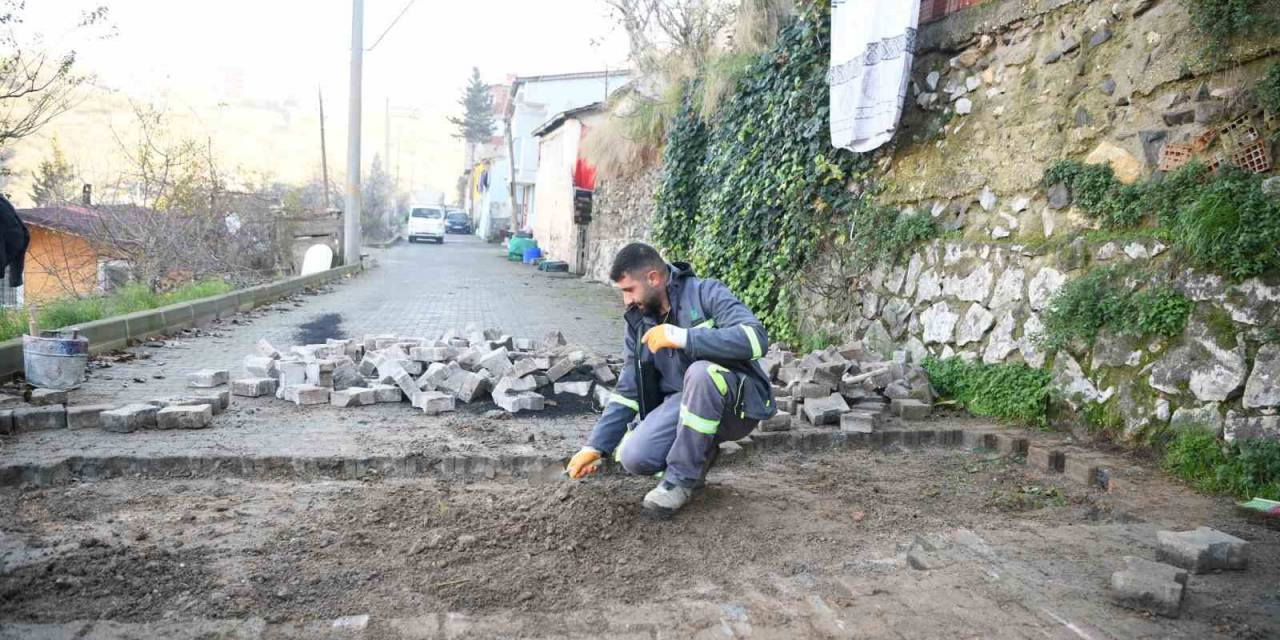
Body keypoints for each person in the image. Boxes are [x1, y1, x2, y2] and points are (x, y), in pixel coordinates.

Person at [565, 242, 776, 515]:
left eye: (629, 290)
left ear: (653, 277)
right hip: (684, 403)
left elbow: (756, 339)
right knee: (634, 457)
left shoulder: (706, 292)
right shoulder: (639, 321)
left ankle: (679, 480)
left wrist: (684, 337)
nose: (626, 300)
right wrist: (595, 446)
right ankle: (701, 454)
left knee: (701, 374)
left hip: (735, 406)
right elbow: (628, 389)